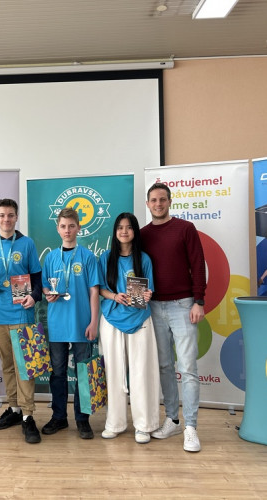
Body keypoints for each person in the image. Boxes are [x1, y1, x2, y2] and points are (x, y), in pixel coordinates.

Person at [141, 182, 206, 453]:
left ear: (169, 202)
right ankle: (173, 420)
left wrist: (199, 301)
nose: (158, 204)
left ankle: (191, 427)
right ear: (147, 204)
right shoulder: (142, 235)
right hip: (154, 307)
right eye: (154, 200)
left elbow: (198, 264)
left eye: (162, 199)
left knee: (188, 368)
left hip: (183, 305)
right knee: (165, 366)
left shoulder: (185, 228)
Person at [0, 199, 43, 444]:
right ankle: (14, 409)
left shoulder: (27, 243)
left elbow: (37, 277)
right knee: (7, 365)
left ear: (16, 217)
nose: (6, 219)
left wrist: (34, 297)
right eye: (2, 215)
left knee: (24, 366)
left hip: (21, 312)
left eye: (11, 215)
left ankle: (28, 415)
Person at [98, 212, 160, 444]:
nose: (124, 231)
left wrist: (147, 294)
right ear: (115, 232)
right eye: (120, 228)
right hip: (112, 319)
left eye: (129, 227)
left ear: (135, 231)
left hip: (140, 320)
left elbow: (149, 290)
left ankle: (144, 425)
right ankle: (115, 423)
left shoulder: (143, 259)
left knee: (141, 372)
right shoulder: (105, 258)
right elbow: (100, 289)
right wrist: (115, 296)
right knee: (113, 372)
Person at [41, 208, 99, 440]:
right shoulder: (51, 257)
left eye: (71, 226)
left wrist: (94, 321)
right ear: (58, 229)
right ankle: (59, 417)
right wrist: (48, 293)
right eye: (63, 226)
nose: (67, 230)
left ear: (78, 228)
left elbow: (94, 291)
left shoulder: (87, 256)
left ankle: (83, 420)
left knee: (83, 372)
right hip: (57, 324)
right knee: (58, 373)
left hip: (81, 323)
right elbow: (45, 285)